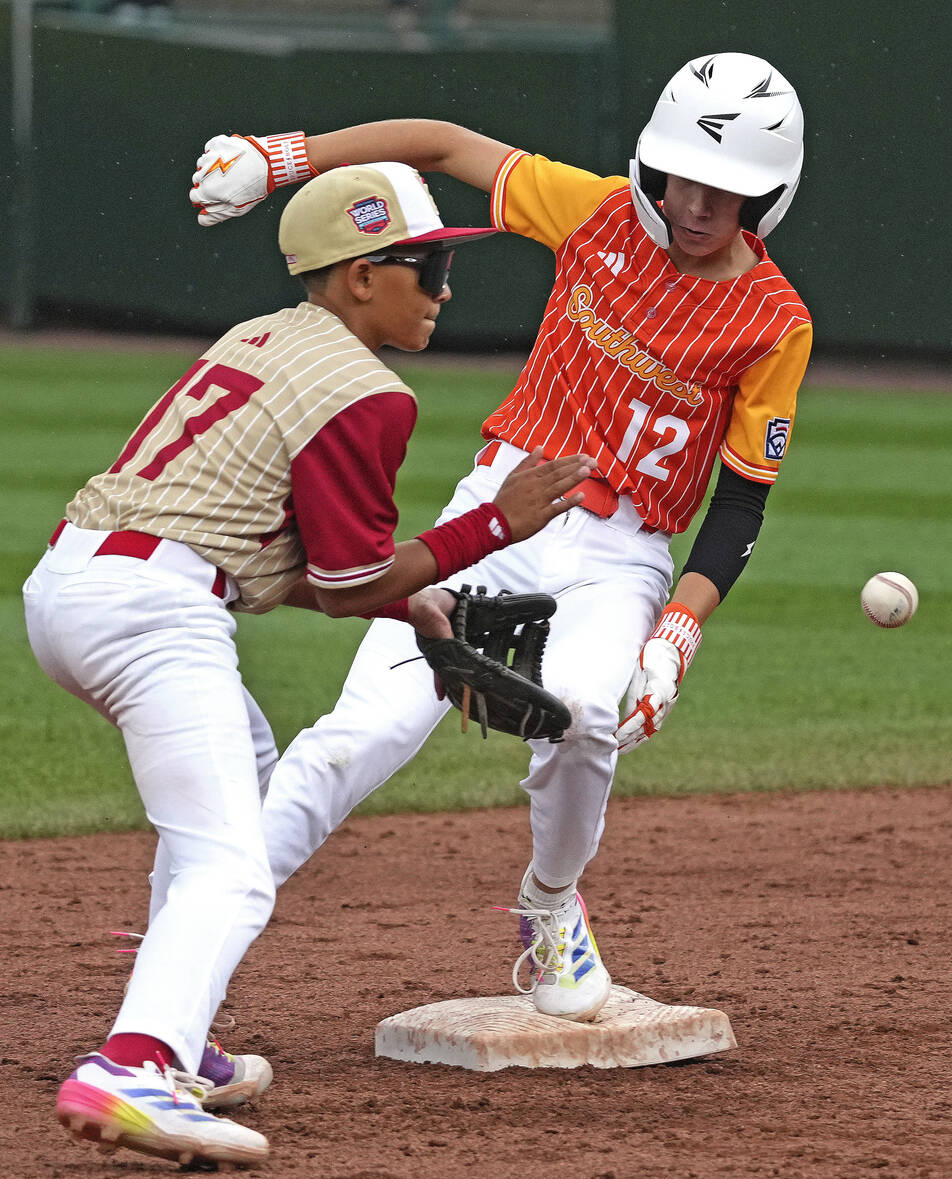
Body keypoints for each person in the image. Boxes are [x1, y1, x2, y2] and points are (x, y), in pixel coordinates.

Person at [190, 52, 811, 1034]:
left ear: (769, 194)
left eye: (726, 189)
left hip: (624, 552)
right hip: (503, 508)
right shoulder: (596, 210)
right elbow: (440, 145)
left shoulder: (775, 323)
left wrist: (676, 636)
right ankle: (198, 925)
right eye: (683, 175)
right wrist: (281, 159)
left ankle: (550, 904)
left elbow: (739, 504)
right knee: (366, 732)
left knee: (587, 717)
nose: (697, 204)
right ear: (654, 167)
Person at [23, 161, 593, 1168]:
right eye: (422, 267)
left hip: (76, 584)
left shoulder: (261, 337)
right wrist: (491, 526)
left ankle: (178, 1037)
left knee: (242, 773)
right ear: (359, 274)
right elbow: (342, 583)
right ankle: (134, 1065)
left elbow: (276, 557)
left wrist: (413, 596)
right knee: (234, 866)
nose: (443, 291)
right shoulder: (365, 392)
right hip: (152, 615)